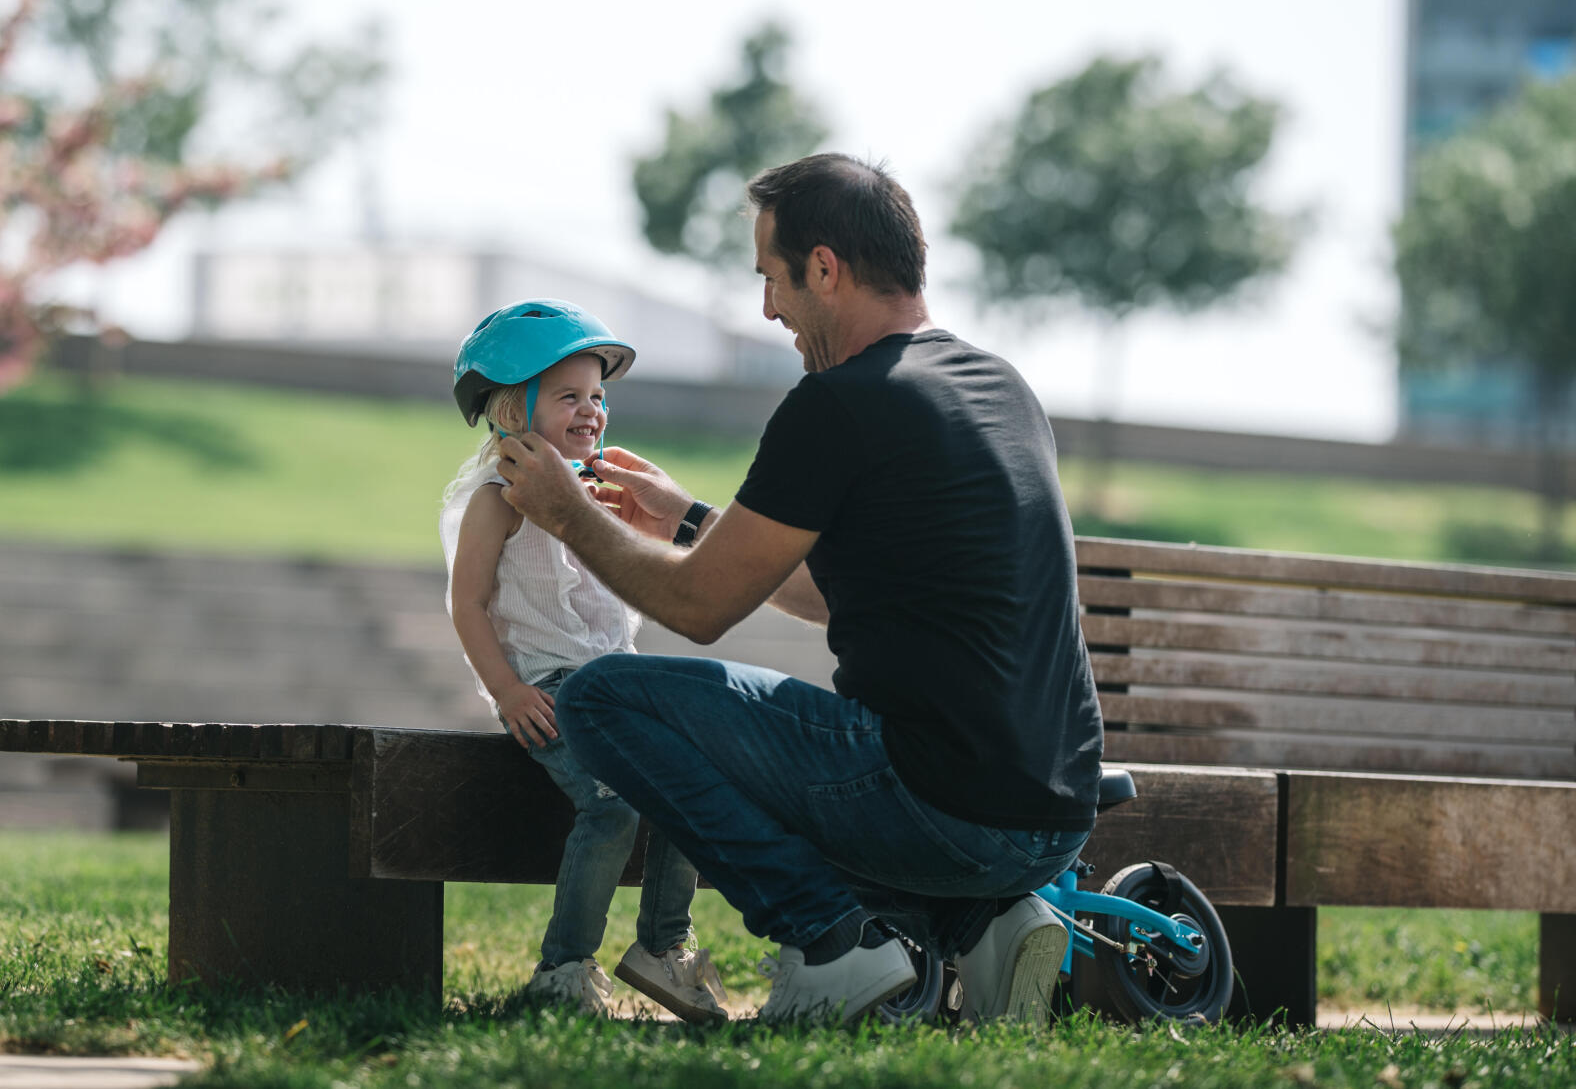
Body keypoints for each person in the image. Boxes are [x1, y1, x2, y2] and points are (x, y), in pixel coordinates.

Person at [493, 154, 1104, 1026]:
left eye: (771, 279)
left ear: (824, 267)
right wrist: (689, 521)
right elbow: (836, 595)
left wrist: (566, 514)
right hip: (1053, 817)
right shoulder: (998, 386)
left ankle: (829, 944)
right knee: (787, 752)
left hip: (941, 805)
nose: (769, 308)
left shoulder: (839, 403)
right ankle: (986, 924)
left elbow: (701, 609)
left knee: (604, 701)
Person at [440, 299, 730, 1022]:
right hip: (547, 688)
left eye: (598, 396)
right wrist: (505, 689)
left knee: (692, 788)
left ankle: (665, 949)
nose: (592, 410)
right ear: (512, 410)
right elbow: (467, 603)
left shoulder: (596, 492)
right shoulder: (498, 499)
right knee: (613, 805)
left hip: (615, 682)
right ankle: (563, 971)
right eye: (569, 396)